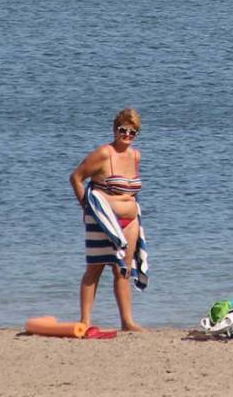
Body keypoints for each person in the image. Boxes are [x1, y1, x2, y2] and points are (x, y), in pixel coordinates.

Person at [70, 108, 147, 332]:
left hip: (130, 221)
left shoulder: (136, 155)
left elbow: (131, 190)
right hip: (102, 220)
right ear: (114, 130)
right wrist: (87, 207)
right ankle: (85, 321)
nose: (127, 135)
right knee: (95, 268)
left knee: (123, 270)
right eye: (123, 130)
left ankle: (127, 321)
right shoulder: (104, 153)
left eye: (132, 132)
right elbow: (76, 177)